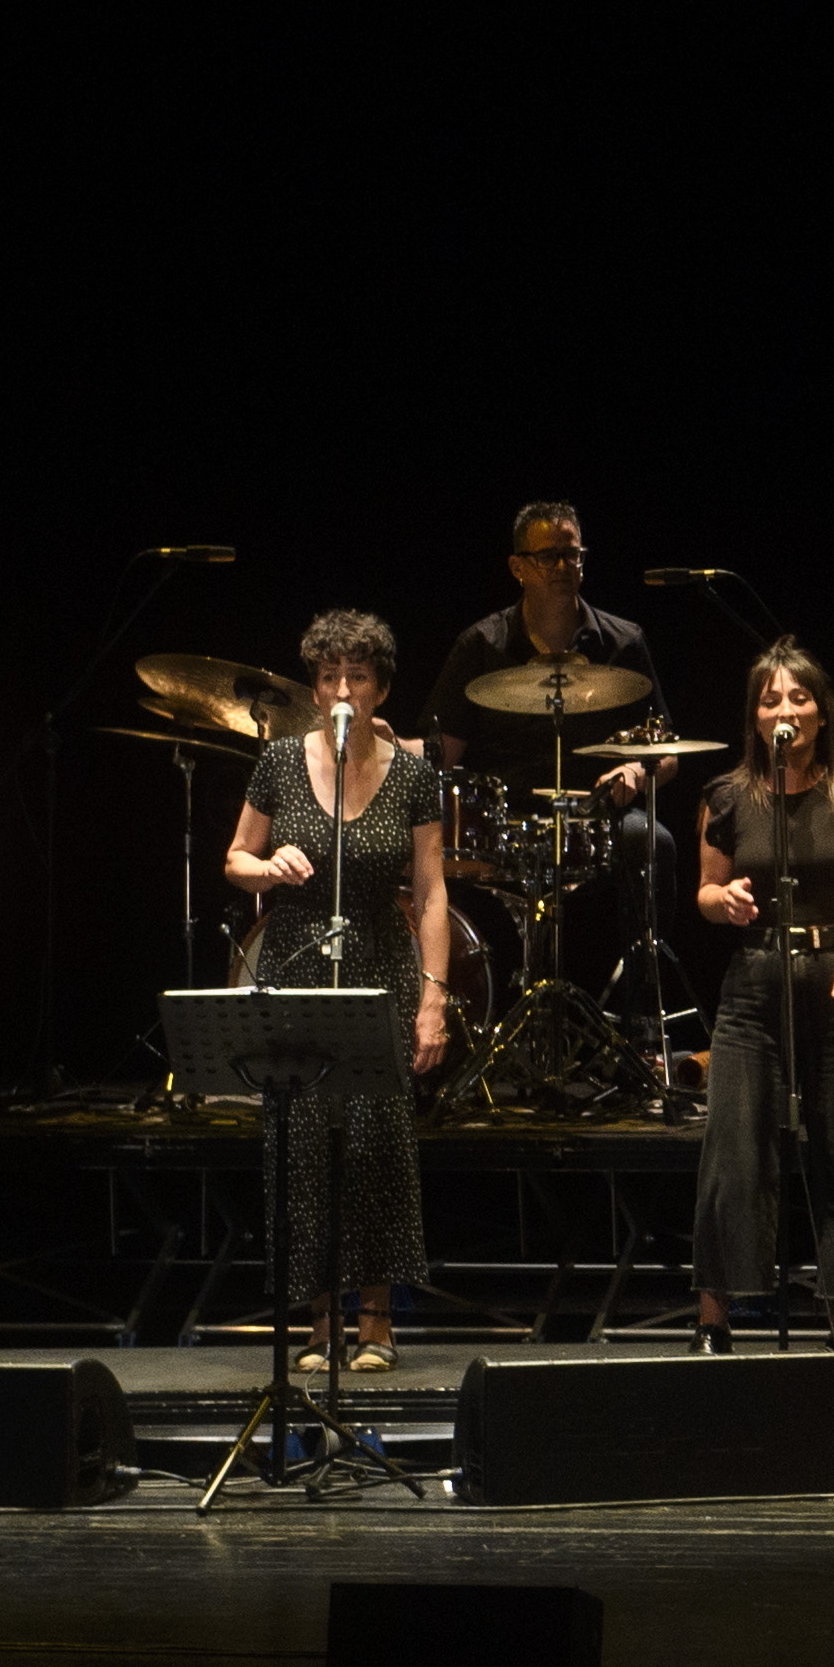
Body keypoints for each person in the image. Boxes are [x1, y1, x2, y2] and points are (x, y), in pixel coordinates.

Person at [224, 610, 454, 1373]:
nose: (342, 687)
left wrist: (432, 999)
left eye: (356, 674)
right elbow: (235, 858)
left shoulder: (416, 775)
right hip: (296, 956)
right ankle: (320, 1321)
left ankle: (378, 1321)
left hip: (379, 960)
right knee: (303, 1138)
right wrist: (269, 867)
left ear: (381, 686)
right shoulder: (281, 763)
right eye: (329, 676)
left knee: (375, 1138)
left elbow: (429, 891)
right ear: (315, 689)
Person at [690, 640, 834, 1373]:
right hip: (754, 982)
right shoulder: (726, 796)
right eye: (771, 699)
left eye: (798, 698)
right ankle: (715, 1316)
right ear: (754, 715)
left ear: (820, 710)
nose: (786, 710)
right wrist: (725, 901)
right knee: (735, 1148)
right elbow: (705, 893)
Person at [421, 501, 673, 1035]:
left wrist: (635, 772)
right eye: (550, 556)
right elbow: (438, 753)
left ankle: (639, 1021)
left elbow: (667, 750)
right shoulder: (483, 644)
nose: (565, 567)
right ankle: (464, 1019)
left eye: (573, 554)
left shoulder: (623, 643)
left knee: (653, 841)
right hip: (501, 822)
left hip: (594, 816)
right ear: (518, 567)